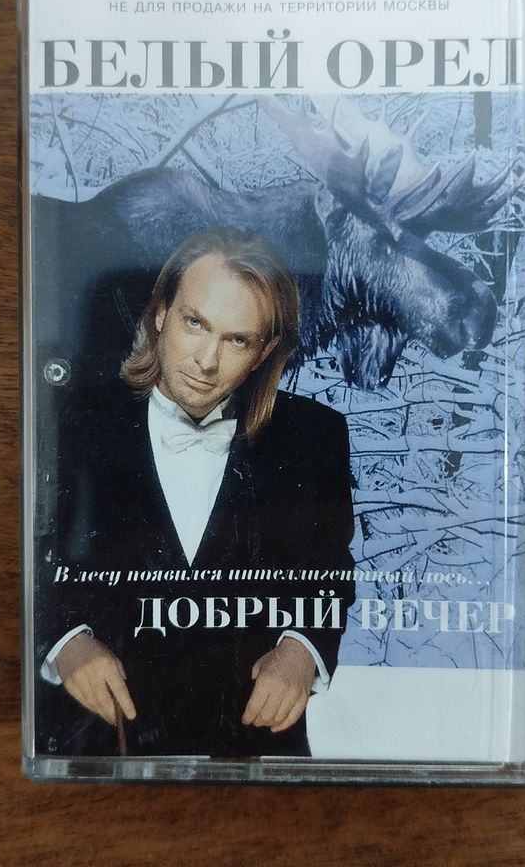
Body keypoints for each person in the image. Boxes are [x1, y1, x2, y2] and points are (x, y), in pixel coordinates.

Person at [37, 227, 355, 757]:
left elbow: (329, 570)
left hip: (252, 750)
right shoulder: (68, 419)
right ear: (161, 312)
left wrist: (302, 651)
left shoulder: (314, 436)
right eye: (195, 323)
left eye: (237, 340)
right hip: (98, 745)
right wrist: (66, 645)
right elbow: (25, 559)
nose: (207, 361)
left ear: (263, 352)